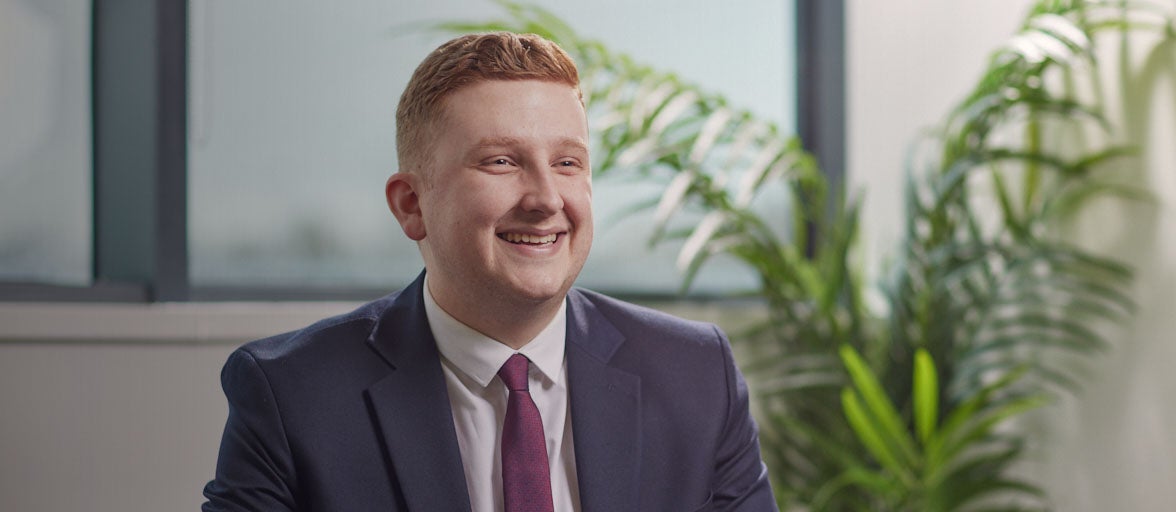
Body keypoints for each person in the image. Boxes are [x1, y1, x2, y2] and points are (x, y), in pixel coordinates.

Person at [202, 32, 776, 512]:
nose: (546, 198)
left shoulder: (697, 376)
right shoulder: (291, 394)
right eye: (501, 161)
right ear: (411, 205)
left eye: (567, 163)